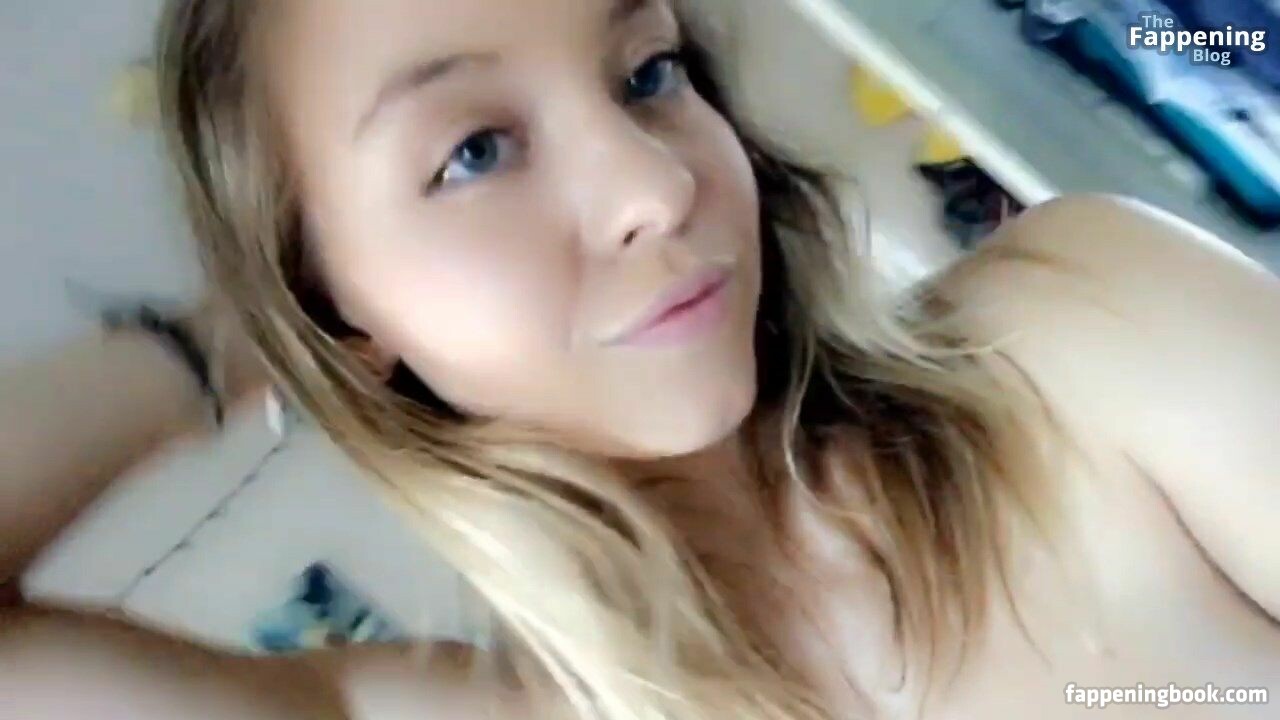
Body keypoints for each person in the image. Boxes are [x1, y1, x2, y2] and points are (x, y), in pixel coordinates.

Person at [2, 0, 1277, 717]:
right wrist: (222, 342)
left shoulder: (1082, 337)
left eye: (644, 73)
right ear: (337, 307)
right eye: (472, 152)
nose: (653, 187)